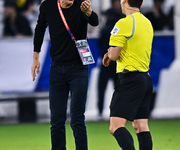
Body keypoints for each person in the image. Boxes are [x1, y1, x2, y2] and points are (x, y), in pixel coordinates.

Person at [31, 0, 99, 150]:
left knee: (77, 119)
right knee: (56, 120)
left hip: (79, 69)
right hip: (57, 69)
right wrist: (36, 58)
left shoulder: (82, 4)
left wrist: (88, 12)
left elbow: (95, 22)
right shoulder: (48, 6)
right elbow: (40, 28)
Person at [103, 0, 154, 150]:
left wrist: (108, 53)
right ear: (142, 2)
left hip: (130, 79)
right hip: (145, 78)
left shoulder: (124, 23)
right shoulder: (147, 23)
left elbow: (114, 54)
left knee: (116, 126)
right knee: (140, 126)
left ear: (124, 1)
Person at [97, 0, 123, 118]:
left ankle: (100, 110)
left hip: (105, 62)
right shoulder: (119, 31)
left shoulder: (104, 30)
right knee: (118, 89)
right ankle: (119, 111)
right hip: (117, 63)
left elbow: (100, 44)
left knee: (101, 88)